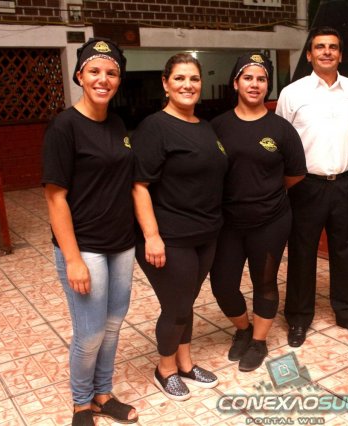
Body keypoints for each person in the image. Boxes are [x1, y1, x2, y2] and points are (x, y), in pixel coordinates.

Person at [42, 38, 138, 425]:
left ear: (119, 80)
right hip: (85, 247)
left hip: (122, 244)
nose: (103, 79)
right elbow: (55, 198)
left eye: (111, 72)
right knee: (91, 331)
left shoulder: (117, 123)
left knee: (113, 325)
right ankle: (81, 403)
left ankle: (103, 394)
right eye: (95, 71)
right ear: (80, 75)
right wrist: (72, 259)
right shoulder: (64, 127)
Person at [131, 53, 228, 400]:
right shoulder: (154, 127)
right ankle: (165, 369)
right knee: (175, 305)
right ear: (166, 83)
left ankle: (185, 363)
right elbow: (139, 185)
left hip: (205, 234)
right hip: (171, 236)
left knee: (186, 301)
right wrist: (152, 236)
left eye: (194, 79)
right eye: (180, 78)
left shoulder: (204, 126)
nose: (188, 85)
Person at [210, 53, 307, 371]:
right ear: (235, 83)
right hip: (228, 222)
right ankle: (243, 329)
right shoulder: (217, 127)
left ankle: (259, 341)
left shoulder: (281, 129)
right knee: (223, 285)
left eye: (261, 79)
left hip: (271, 220)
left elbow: (295, 173)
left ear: (268, 85)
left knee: (264, 281)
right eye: (248, 78)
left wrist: (264, 192)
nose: (255, 84)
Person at [276, 27, 348, 348]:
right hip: (306, 185)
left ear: (340, 55)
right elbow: (283, 140)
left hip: (345, 183)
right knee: (302, 251)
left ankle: (347, 313)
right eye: (320, 47)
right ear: (309, 54)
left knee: (344, 249)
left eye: (332, 47)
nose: (326, 52)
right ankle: (298, 318)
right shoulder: (292, 93)